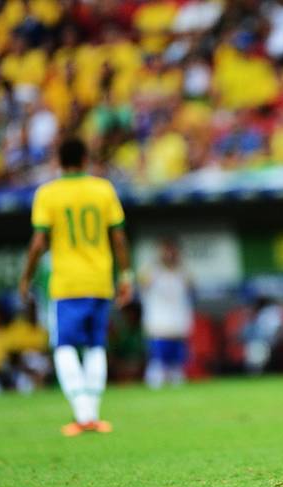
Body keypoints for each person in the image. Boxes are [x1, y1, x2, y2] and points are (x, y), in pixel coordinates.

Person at [19, 137, 133, 437]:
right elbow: (119, 238)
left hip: (67, 283)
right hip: (99, 280)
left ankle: (82, 416)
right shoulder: (103, 189)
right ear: (86, 159)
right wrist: (125, 276)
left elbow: (39, 242)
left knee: (65, 346)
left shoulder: (48, 194)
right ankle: (92, 414)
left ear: (59, 161)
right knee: (96, 345)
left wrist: (26, 276)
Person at [140, 238, 194, 388]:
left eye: (173, 250)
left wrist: (178, 265)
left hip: (178, 323)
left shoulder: (183, 271)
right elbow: (142, 282)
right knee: (157, 361)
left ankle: (177, 387)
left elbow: (191, 286)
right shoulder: (151, 270)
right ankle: (154, 385)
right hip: (158, 324)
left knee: (177, 364)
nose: (170, 254)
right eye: (166, 250)